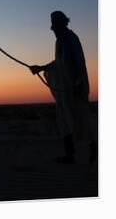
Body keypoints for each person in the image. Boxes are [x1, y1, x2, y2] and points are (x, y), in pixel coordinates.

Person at [30, 11, 97, 164]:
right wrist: (41, 68)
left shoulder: (70, 39)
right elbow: (59, 63)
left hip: (75, 88)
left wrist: (78, 84)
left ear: (62, 24)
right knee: (65, 119)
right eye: (53, 26)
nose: (53, 29)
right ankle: (71, 155)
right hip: (66, 89)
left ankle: (94, 150)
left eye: (55, 25)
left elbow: (80, 63)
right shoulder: (61, 41)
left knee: (82, 118)